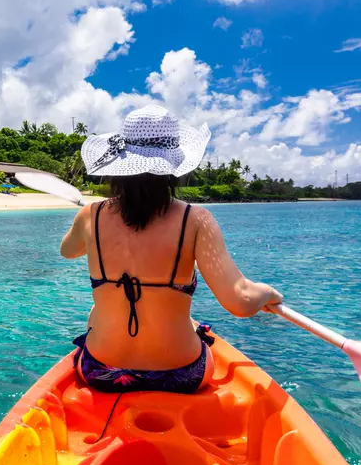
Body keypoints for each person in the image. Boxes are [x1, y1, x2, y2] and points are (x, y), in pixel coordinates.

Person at [60, 104, 282, 394]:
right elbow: (240, 301)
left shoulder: (90, 215)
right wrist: (266, 292)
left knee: (96, 310)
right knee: (190, 324)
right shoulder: (196, 220)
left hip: (100, 371)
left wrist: (87, 227)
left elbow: (68, 251)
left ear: (119, 165)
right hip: (181, 375)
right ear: (173, 169)